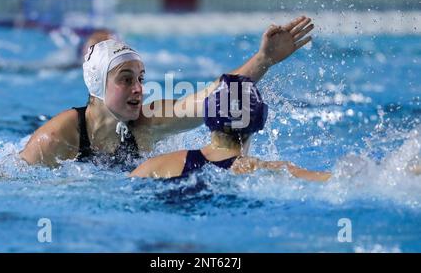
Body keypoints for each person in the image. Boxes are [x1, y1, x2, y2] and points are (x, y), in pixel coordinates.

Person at [19, 16, 315, 167]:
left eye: (141, 78)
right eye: (126, 79)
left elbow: (212, 97)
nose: (138, 88)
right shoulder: (55, 139)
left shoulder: (148, 122)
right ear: (97, 84)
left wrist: (264, 59)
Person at [130, 74, 331, 181]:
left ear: (207, 117)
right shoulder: (260, 170)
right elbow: (331, 180)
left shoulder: (158, 165)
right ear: (259, 122)